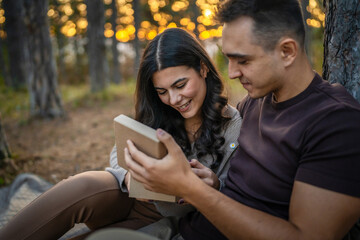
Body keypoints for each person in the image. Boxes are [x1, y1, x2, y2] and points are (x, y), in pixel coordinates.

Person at [122, 0, 360, 239]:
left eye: (243, 61)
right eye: (229, 59)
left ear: (287, 51)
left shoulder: (337, 123)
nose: (233, 73)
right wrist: (209, 183)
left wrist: (189, 187)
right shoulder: (254, 103)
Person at [0, 28, 242, 240]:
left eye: (180, 85)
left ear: (202, 68)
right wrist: (128, 175)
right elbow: (121, 148)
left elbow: (236, 196)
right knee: (82, 185)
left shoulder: (233, 125)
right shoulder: (161, 109)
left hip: (161, 217)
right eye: (162, 91)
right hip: (124, 196)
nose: (174, 99)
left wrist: (215, 185)